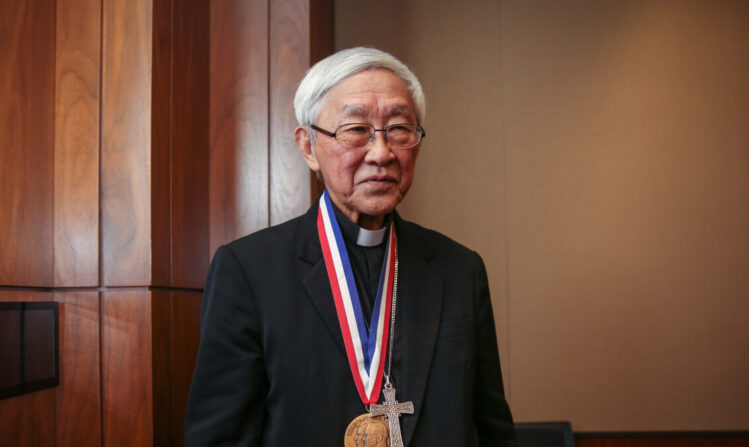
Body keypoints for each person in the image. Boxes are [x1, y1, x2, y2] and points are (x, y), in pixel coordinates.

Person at [185, 47, 515, 446]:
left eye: (399, 130)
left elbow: (493, 430)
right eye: (356, 129)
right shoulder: (248, 271)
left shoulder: (460, 270)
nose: (382, 153)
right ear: (308, 146)